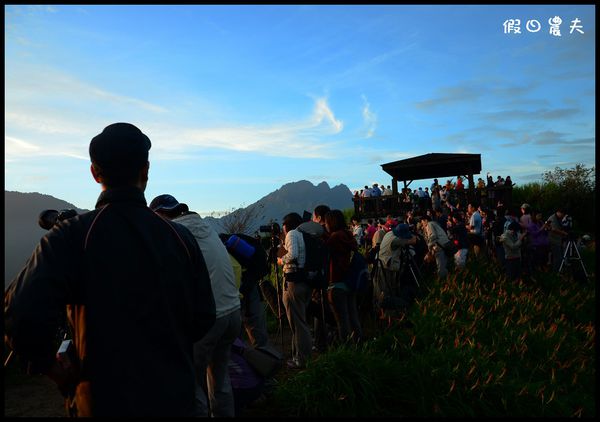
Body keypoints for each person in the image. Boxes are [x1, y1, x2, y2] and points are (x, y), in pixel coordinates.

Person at [4, 123, 216, 417]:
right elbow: (204, 317)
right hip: (173, 398)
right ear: (146, 170)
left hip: (101, 402)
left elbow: (19, 314)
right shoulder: (181, 238)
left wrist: (52, 368)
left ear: (94, 172)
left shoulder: (70, 236)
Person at [150, 194, 241, 417]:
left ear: (160, 214)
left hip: (208, 319)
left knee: (190, 382)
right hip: (232, 312)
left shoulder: (172, 234)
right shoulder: (206, 228)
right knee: (219, 379)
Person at [277, 212, 311, 369]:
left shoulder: (291, 234)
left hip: (293, 282)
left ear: (286, 225)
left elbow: (293, 254)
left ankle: (302, 359)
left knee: (298, 324)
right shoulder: (301, 234)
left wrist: (280, 259)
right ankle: (297, 355)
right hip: (302, 280)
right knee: (300, 321)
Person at [324, 209, 362, 344]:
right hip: (350, 282)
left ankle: (346, 348)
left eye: (326, 222)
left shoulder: (334, 238)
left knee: (342, 320)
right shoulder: (348, 235)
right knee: (353, 317)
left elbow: (323, 252)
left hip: (337, 283)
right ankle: (359, 345)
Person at [374, 223, 418, 313]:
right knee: (388, 290)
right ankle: (389, 310)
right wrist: (412, 233)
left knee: (384, 289)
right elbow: (414, 241)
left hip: (381, 264)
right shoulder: (396, 240)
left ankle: (386, 310)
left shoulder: (389, 233)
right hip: (387, 267)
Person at [420, 214, 448, 279]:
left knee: (441, 266)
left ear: (426, 220)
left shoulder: (429, 224)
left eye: (422, 222)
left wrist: (429, 250)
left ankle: (443, 281)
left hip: (440, 246)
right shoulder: (434, 223)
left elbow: (433, 237)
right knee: (443, 264)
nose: (422, 224)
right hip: (444, 244)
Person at [546, 207, 569, 272]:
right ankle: (556, 271)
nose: (563, 216)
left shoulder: (558, 218)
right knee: (558, 257)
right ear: (559, 212)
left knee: (558, 256)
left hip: (557, 240)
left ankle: (557, 270)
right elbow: (553, 229)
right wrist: (564, 233)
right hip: (553, 240)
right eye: (563, 214)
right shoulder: (553, 218)